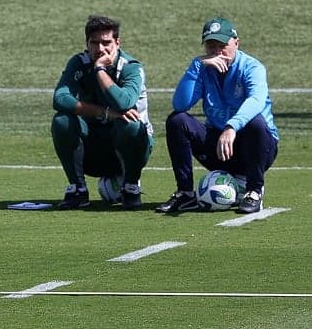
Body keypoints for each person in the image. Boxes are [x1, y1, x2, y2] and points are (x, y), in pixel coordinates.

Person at [155, 17, 278, 214]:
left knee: (256, 123)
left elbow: (257, 101)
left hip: (255, 147)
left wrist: (231, 127)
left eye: (222, 45)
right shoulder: (204, 68)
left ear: (236, 43)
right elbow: (180, 104)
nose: (217, 51)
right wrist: (197, 65)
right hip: (220, 147)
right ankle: (185, 193)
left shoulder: (252, 67)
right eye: (211, 46)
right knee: (177, 120)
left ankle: (254, 191)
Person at [51, 15, 153, 210]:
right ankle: (77, 189)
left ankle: (131, 187)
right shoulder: (78, 63)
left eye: (106, 43)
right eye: (94, 43)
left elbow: (124, 104)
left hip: (131, 149)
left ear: (117, 42)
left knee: (130, 124)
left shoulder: (131, 68)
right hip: (93, 149)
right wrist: (105, 112)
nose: (100, 49)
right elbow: (60, 98)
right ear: (87, 44)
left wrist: (99, 70)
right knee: (62, 121)